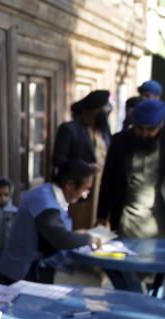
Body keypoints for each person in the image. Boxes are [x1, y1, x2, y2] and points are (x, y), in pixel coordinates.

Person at [97, 98, 165, 239]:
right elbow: (108, 180)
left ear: (161, 124)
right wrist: (101, 216)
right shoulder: (120, 141)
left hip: (162, 218)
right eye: (139, 128)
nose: (144, 134)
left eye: (150, 129)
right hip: (127, 220)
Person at [0, 159, 103, 285]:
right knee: (91, 281)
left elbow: (55, 233)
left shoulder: (49, 193)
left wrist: (76, 235)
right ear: (69, 184)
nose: (85, 196)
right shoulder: (44, 202)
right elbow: (63, 239)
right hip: (21, 274)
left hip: (35, 268)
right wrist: (89, 238)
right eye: (85, 189)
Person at [53, 90, 111, 229]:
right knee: (79, 228)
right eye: (105, 107)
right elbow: (58, 159)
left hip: (102, 190)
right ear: (96, 110)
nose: (108, 110)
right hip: (80, 191)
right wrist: (86, 167)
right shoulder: (69, 129)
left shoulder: (104, 129)